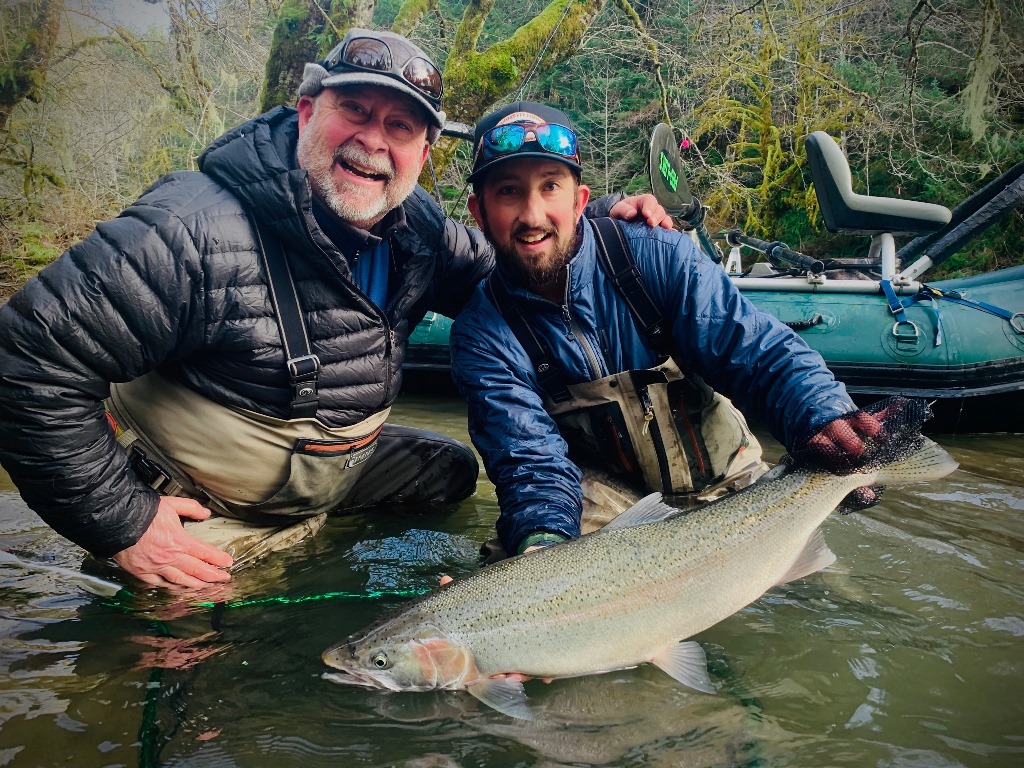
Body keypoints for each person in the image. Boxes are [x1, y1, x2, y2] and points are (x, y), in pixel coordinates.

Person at [0, 30, 670, 590]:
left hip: (327, 477)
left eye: (400, 125)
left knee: (452, 473)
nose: (373, 141)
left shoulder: (420, 232)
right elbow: (24, 362)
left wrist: (598, 222)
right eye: (355, 109)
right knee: (184, 656)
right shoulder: (189, 231)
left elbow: (513, 259)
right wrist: (123, 523)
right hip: (194, 499)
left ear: (423, 154)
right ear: (306, 113)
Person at [449, 102, 886, 559]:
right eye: (509, 192)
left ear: (579, 201)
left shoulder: (658, 257)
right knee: (514, 560)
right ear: (479, 212)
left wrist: (823, 416)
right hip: (610, 514)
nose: (533, 215)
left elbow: (758, 353)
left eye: (550, 187)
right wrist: (543, 544)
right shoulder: (482, 336)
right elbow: (529, 462)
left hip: (733, 485)